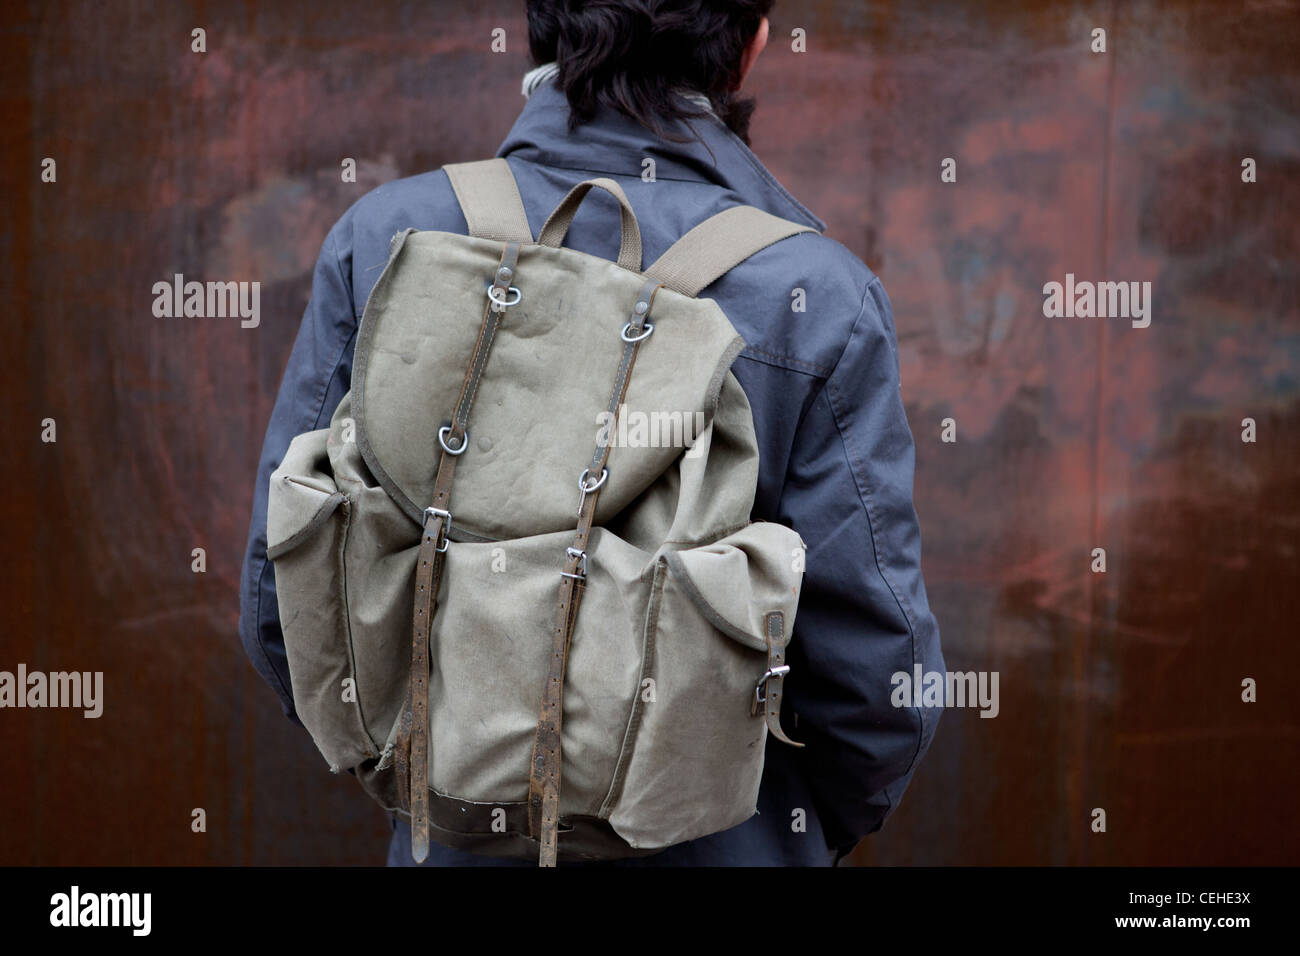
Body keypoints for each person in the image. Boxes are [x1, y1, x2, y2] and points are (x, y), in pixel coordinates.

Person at [239, 0, 945, 867]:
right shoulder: (818, 295)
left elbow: (284, 593)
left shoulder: (387, 241)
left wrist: (433, 778)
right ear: (753, 42)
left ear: (539, 28)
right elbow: (877, 684)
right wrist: (778, 835)